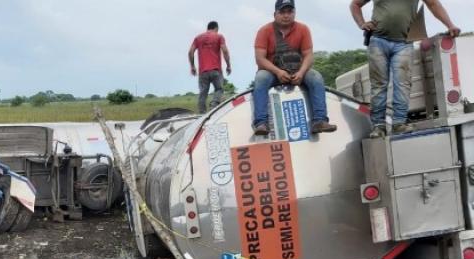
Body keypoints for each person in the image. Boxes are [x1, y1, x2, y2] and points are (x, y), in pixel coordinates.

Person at [350, 0, 461, 137]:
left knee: (403, 83)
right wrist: (361, 23)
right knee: (379, 85)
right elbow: (355, 4)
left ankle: (399, 123)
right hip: (378, 40)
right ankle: (378, 126)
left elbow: (434, 4)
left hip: (404, 42)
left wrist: (450, 25)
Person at [252, 0, 337, 136]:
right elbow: (260, 59)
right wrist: (278, 72)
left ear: (294, 13)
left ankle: (319, 121)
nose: (286, 15)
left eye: (289, 12)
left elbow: (308, 55)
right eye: (282, 12)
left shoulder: (303, 29)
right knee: (261, 78)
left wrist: (302, 72)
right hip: (273, 72)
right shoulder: (264, 31)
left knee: (316, 77)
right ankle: (261, 122)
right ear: (275, 14)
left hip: (298, 70)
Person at [189, 21, 232, 114]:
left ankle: (201, 114)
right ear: (216, 28)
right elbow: (225, 51)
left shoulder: (198, 38)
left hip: (203, 71)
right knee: (219, 89)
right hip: (216, 70)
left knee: (203, 93)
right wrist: (228, 65)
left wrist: (192, 66)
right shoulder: (219, 36)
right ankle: (213, 105)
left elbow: (191, 52)